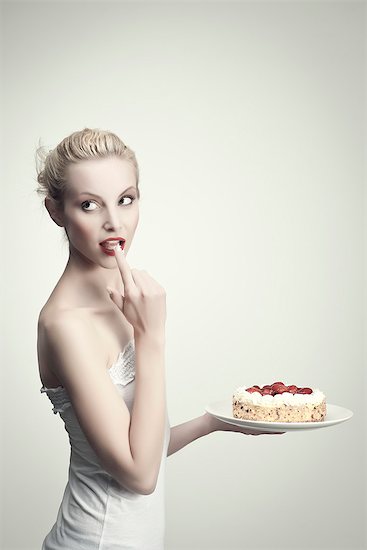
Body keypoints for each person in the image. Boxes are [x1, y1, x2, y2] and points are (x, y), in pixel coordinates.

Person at [36, 127, 283, 550]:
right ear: (56, 211)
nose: (114, 221)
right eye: (89, 204)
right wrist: (151, 338)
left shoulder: (123, 296)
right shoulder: (66, 324)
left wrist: (213, 423)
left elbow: (142, 445)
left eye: (126, 199)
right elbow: (139, 474)